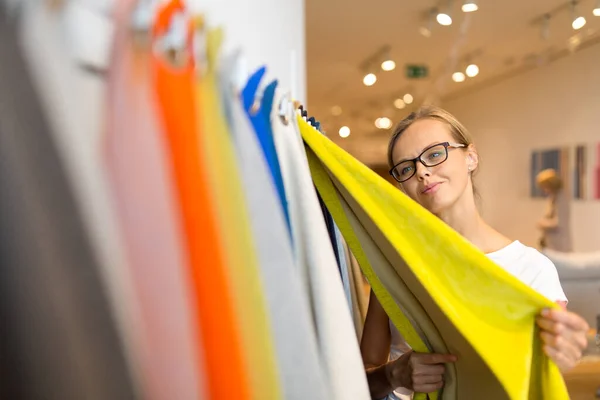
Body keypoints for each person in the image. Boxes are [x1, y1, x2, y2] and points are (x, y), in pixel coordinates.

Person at [360, 106, 589, 400]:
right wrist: (395, 374)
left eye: (434, 154)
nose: (422, 171)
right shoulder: (395, 267)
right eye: (406, 168)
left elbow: (545, 374)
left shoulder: (531, 268)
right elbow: (361, 381)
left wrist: (562, 356)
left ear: (471, 157)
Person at [536, 168, 573, 252]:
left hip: (559, 245)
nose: (544, 190)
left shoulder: (562, 199)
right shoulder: (552, 198)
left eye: (544, 186)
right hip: (551, 243)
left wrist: (542, 224)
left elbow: (559, 223)